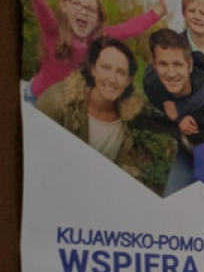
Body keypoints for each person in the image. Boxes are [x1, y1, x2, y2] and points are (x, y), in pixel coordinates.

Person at [17, 0, 166, 101]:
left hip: (63, 105)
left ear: (98, 19)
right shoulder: (54, 30)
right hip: (35, 97)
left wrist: (158, 11)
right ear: (64, 6)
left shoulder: (99, 37)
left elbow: (130, 28)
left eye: (90, 9)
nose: (83, 11)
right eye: (76, 3)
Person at [35, 36, 144, 174]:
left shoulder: (129, 116)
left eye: (121, 73)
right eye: (105, 68)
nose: (112, 79)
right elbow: (32, 146)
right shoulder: (59, 101)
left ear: (128, 80)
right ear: (93, 69)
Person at [141, 29, 204, 194]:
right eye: (163, 64)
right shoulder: (151, 84)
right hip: (187, 152)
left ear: (189, 65)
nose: (171, 73)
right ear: (154, 63)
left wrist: (180, 112)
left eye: (178, 64)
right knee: (172, 198)